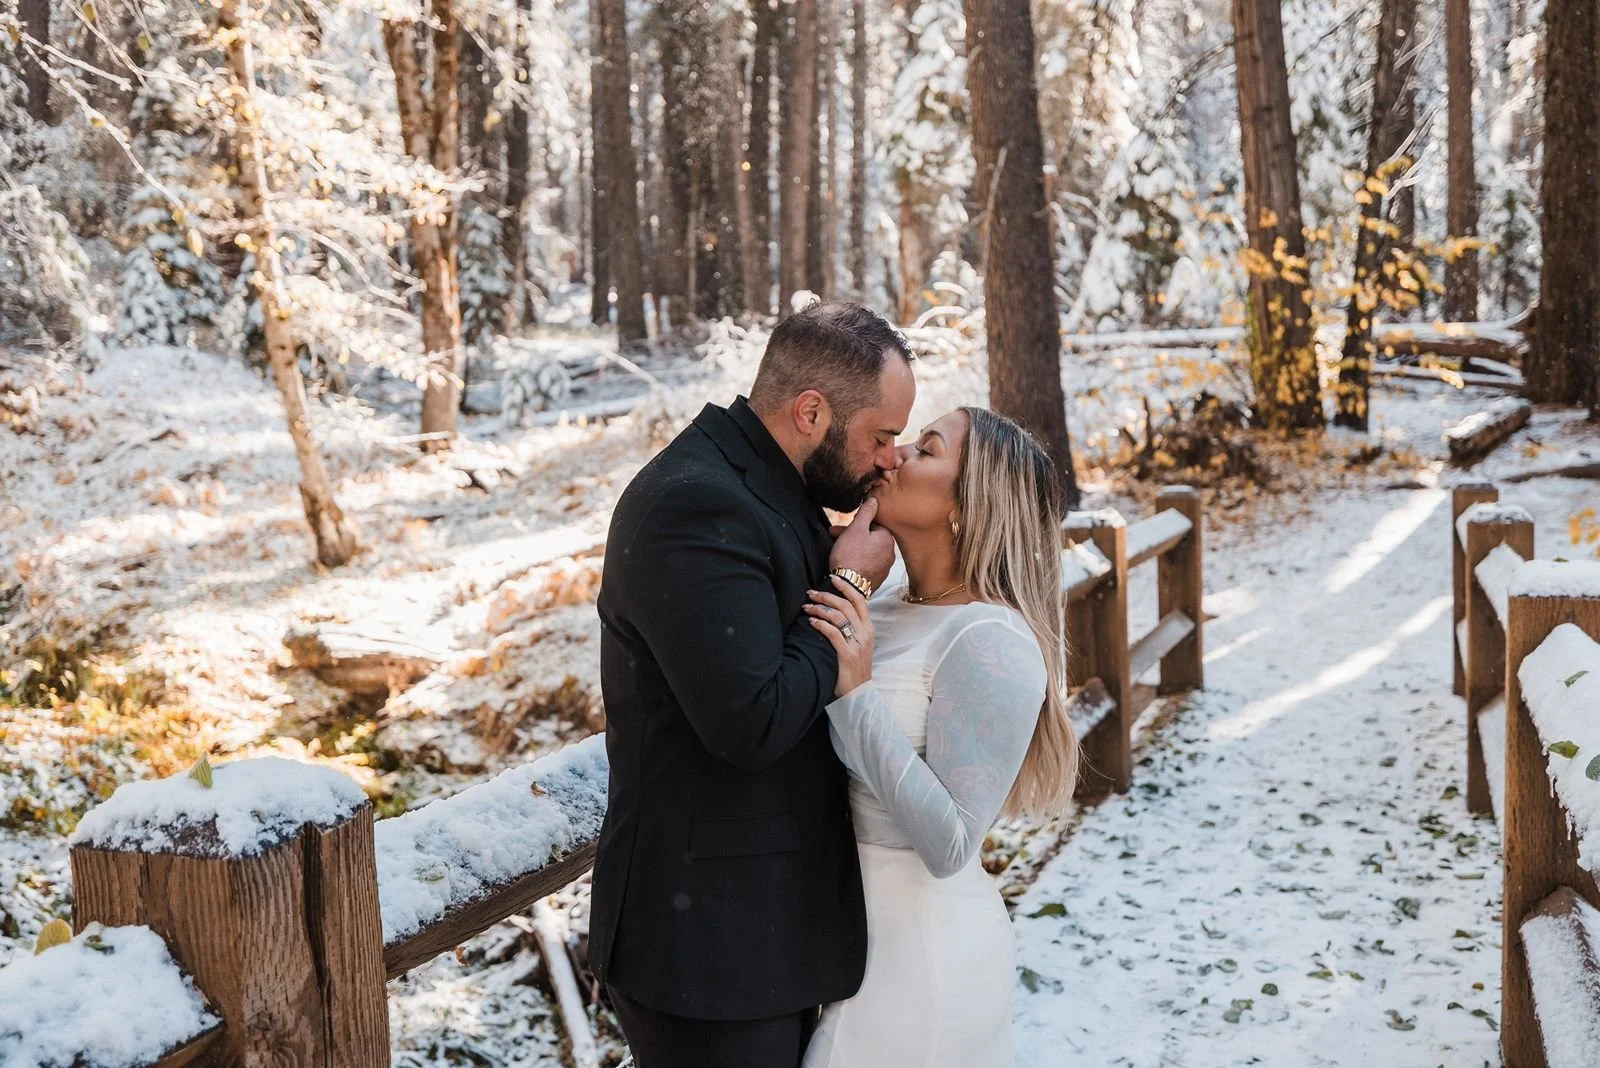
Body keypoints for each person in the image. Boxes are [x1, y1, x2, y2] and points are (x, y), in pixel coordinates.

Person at [589, 301, 916, 1067]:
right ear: (812, 412)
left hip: (762, 933)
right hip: (706, 953)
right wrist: (848, 591)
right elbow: (750, 720)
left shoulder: (767, 487)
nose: (890, 459)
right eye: (882, 436)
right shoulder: (694, 505)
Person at [799, 406, 1081, 1067]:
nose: (892, 454)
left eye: (924, 450)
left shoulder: (991, 639)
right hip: (844, 942)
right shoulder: (886, 605)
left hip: (921, 960)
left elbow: (949, 842)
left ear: (966, 504)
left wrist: (857, 695)